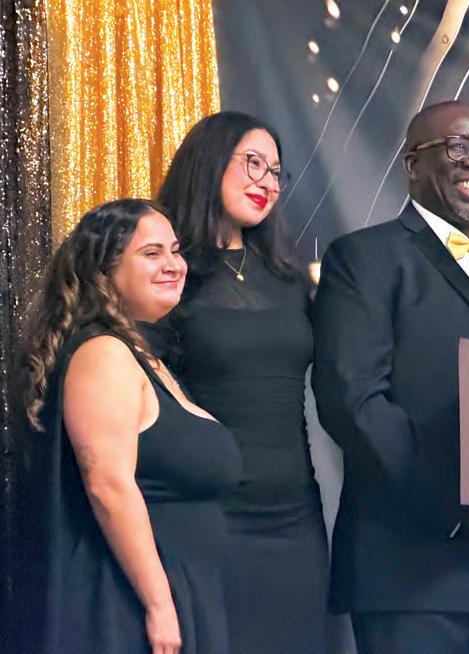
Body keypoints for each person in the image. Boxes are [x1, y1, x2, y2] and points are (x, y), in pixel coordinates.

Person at [312, 100, 469, 654]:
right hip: (412, 569)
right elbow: (352, 400)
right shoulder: (364, 258)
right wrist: (455, 504)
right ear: (412, 165)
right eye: (458, 146)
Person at [14, 199, 241, 654]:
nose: (173, 265)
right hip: (126, 605)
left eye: (175, 251)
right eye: (151, 253)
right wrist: (159, 604)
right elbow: (107, 484)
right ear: (103, 271)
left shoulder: (144, 358)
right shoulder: (103, 354)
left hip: (181, 591)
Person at [156, 111, 328, 654]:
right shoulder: (167, 271)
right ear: (209, 162)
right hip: (206, 516)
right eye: (253, 163)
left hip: (296, 516)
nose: (267, 182)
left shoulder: (289, 277)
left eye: (276, 171)